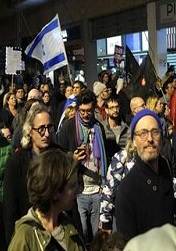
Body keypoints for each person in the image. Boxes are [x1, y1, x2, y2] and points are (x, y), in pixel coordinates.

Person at [115, 109, 176, 239]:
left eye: (155, 132)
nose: (150, 139)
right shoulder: (126, 190)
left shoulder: (165, 167)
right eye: (143, 134)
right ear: (134, 141)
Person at [58, 91, 110, 243]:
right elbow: (58, 157)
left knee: (95, 236)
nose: (86, 115)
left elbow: (105, 156)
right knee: (82, 233)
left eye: (89, 111)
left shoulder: (98, 128)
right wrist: (72, 159)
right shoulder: (68, 128)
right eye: (82, 111)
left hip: (97, 189)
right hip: (78, 190)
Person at [8, 149, 85, 250]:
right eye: (72, 186)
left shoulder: (68, 226)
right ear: (54, 192)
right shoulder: (25, 236)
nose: (78, 189)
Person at [3, 103, 58, 242]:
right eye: (41, 129)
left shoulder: (59, 157)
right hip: (28, 236)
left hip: (57, 233)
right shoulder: (16, 162)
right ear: (29, 132)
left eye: (49, 128)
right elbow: (10, 209)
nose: (46, 134)